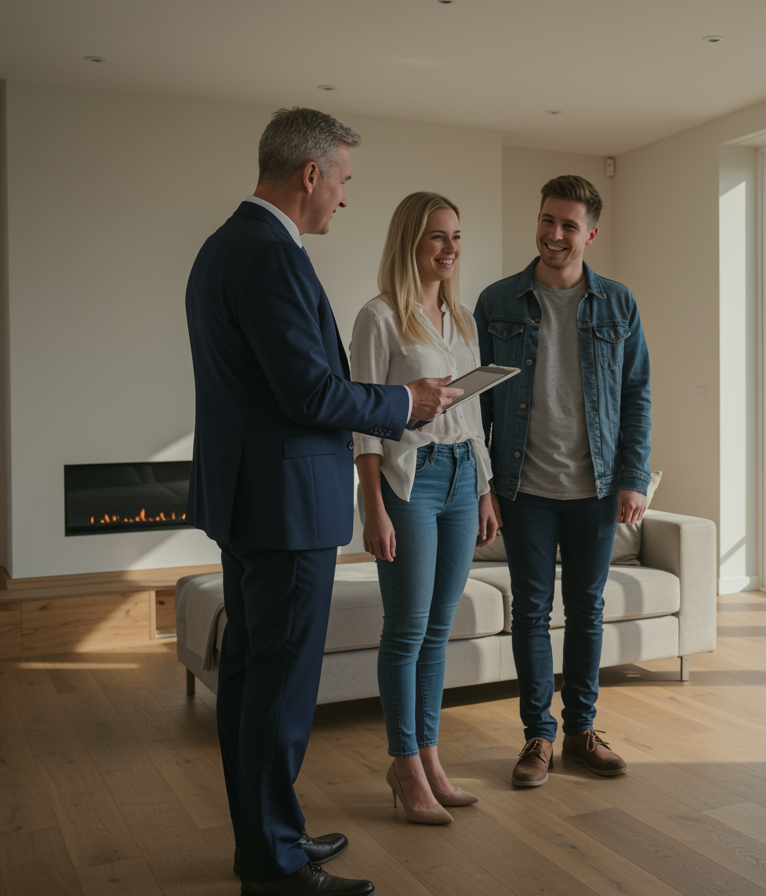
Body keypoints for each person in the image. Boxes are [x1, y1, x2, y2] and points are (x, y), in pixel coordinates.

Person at [185, 108, 461, 896]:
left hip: (249, 500)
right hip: (285, 505)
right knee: (278, 689)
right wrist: (403, 401)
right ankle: (274, 865)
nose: (344, 196)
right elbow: (308, 391)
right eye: (341, 179)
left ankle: (267, 838)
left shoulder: (224, 246)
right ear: (311, 174)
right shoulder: (271, 254)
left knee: (250, 680)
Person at [474, 175, 652, 788]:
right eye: (547, 220)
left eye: (568, 225)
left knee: (587, 610)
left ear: (590, 234)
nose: (554, 234)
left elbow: (636, 395)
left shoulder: (619, 304)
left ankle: (581, 731)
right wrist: (484, 485)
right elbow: (477, 406)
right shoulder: (497, 301)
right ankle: (537, 737)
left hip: (596, 489)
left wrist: (633, 477)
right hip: (522, 487)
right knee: (530, 611)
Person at [349, 192, 499, 823]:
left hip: (463, 477)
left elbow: (472, 413)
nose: (450, 248)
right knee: (407, 630)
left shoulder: (461, 320)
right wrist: (373, 507)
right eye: (438, 236)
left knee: (439, 630)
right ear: (410, 240)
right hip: (410, 481)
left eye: (456, 237)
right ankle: (405, 764)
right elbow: (363, 422)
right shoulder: (379, 317)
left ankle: (432, 760)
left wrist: (485, 488)